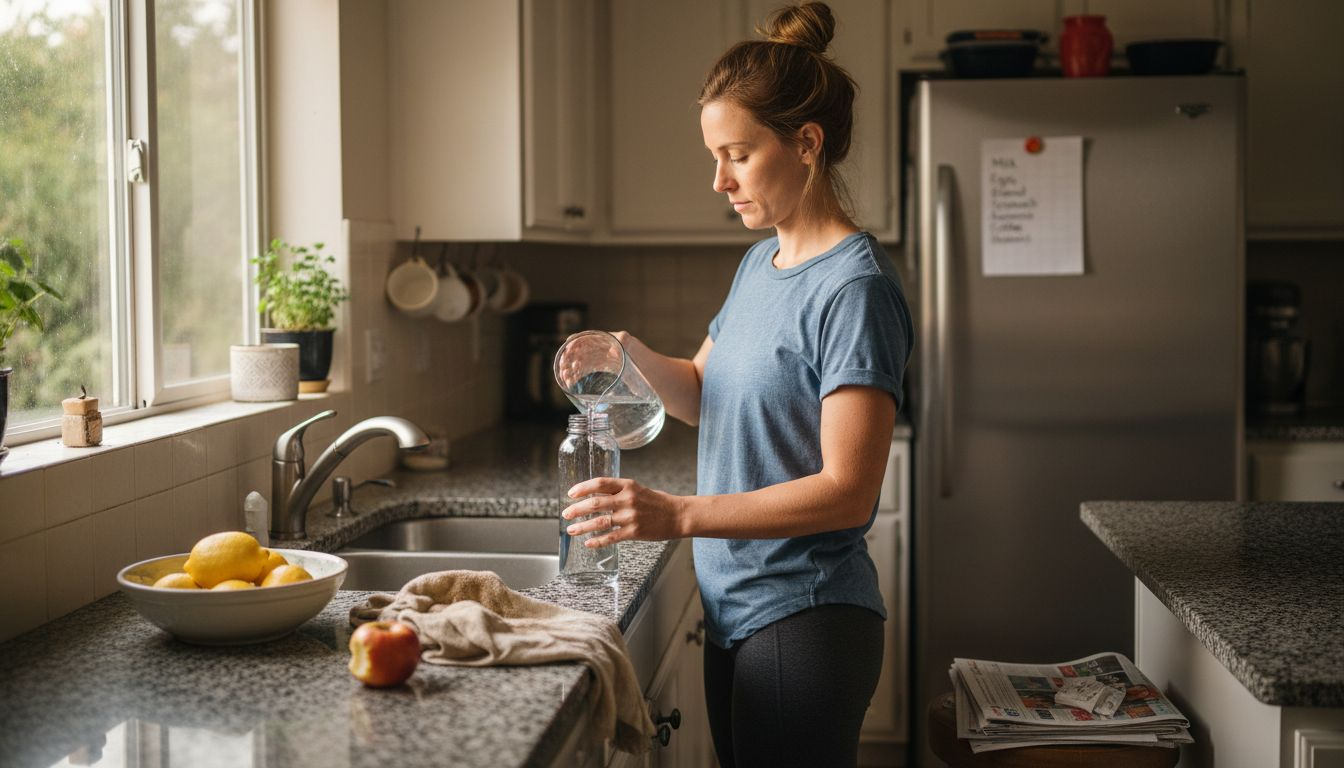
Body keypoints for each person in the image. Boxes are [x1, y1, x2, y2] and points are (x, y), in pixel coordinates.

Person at [561, 3, 912, 765]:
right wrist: (628, 355)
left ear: (806, 143)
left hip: (806, 614)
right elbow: (701, 390)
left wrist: (679, 513)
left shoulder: (855, 288)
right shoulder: (763, 263)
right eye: (715, 156)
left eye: (738, 155)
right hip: (737, 606)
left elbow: (849, 490)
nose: (719, 180)